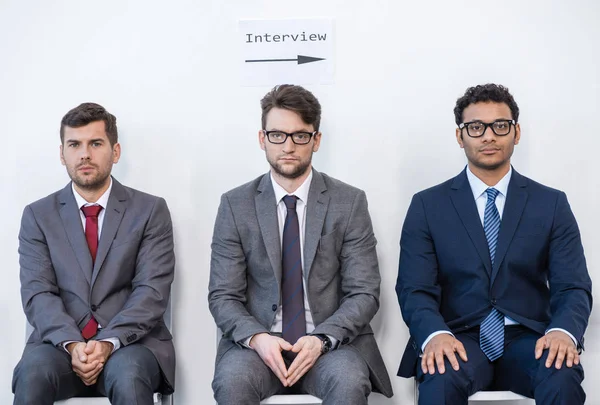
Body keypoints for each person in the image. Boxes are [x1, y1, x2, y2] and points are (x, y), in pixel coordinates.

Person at [396, 83, 592, 404]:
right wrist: (435, 334)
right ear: (460, 137)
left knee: (561, 375)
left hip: (529, 339)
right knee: (441, 376)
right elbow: (414, 288)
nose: (489, 136)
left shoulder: (551, 204)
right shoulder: (428, 205)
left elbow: (572, 286)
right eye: (476, 127)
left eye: (500, 126)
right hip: (459, 338)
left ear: (516, 133)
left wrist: (563, 331)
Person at [209, 84, 393, 405]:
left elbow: (363, 292)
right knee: (232, 383)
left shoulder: (348, 202)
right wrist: (259, 338)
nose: (289, 146)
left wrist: (321, 339)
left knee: (349, 382)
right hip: (258, 346)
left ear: (316, 140)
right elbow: (224, 296)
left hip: (329, 345)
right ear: (262, 139)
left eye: (300, 135)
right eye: (277, 135)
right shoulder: (235, 205)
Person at [12, 103, 176, 405]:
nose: (84, 154)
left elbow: (151, 292)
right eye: (74, 144)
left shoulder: (150, 211)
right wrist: (73, 344)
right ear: (62, 154)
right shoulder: (38, 215)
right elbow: (38, 294)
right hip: (58, 346)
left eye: (95, 143)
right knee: (32, 373)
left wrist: (106, 344)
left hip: (131, 345)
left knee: (129, 376)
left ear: (115, 151)